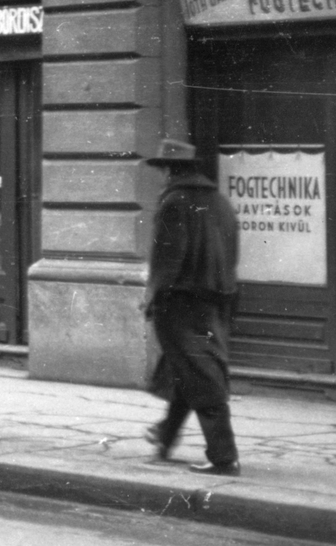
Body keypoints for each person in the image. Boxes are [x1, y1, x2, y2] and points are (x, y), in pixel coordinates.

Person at [141, 138, 240, 476]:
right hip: (217, 301)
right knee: (187, 370)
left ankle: (223, 457)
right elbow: (232, 255)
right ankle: (165, 437)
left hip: (180, 303)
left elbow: (168, 256)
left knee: (200, 374)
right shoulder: (221, 202)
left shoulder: (174, 201)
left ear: (169, 169)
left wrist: (153, 295)